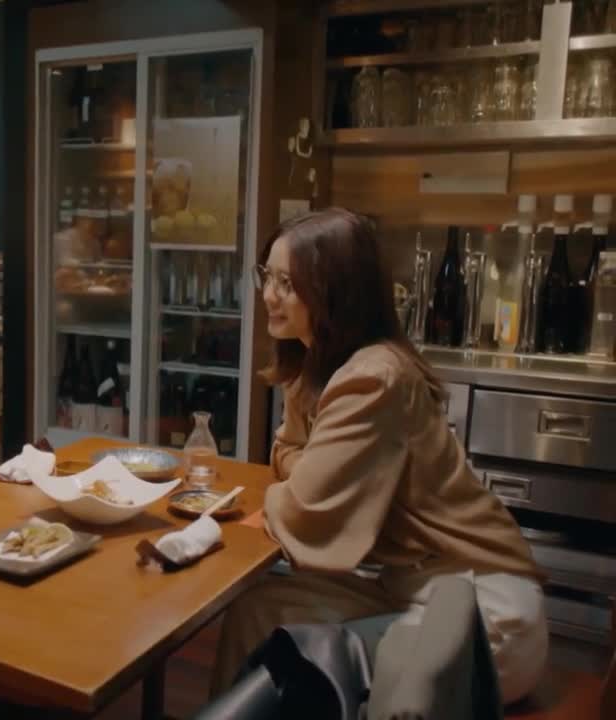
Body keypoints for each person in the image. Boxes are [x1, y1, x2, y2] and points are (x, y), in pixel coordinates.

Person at [210, 208, 546, 704]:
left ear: (335, 293)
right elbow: (287, 456)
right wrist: (306, 469)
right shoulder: (318, 363)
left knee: (319, 659)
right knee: (258, 611)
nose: (269, 295)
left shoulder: (374, 377)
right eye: (268, 277)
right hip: (409, 586)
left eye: (288, 283)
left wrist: (303, 474)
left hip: (478, 614)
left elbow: (303, 505)